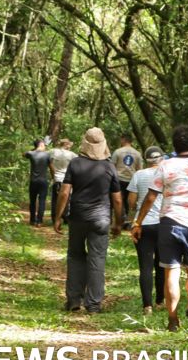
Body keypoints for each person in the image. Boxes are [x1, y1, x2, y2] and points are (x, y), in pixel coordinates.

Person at [132, 125, 188, 332]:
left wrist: (138, 221)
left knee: (171, 271)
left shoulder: (165, 166)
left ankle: (173, 319)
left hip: (170, 222)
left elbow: (151, 196)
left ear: (174, 145)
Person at [53, 128, 123, 314]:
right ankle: (93, 304)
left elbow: (65, 192)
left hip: (78, 217)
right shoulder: (109, 167)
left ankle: (74, 300)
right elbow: (117, 199)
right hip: (101, 220)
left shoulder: (75, 163)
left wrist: (58, 217)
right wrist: (118, 222)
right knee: (97, 259)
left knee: (75, 256)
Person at [126, 146, 167, 315]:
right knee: (162, 265)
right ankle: (160, 301)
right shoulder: (167, 174)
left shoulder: (138, 175)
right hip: (164, 223)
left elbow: (132, 201)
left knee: (145, 266)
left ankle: (147, 306)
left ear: (146, 160)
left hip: (143, 224)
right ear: (162, 159)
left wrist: (135, 217)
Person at [49, 138, 77, 224]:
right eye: (69, 145)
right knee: (67, 198)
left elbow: (48, 161)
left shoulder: (52, 152)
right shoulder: (72, 155)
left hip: (56, 179)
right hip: (66, 180)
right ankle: (65, 217)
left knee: (55, 199)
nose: (70, 146)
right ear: (66, 144)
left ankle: (54, 217)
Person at [23, 139, 50, 226]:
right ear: (41, 144)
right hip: (43, 181)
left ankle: (32, 220)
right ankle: (39, 221)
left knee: (33, 201)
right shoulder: (47, 155)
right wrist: (54, 177)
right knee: (42, 201)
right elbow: (51, 167)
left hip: (33, 181)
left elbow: (23, 154)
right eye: (44, 144)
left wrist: (33, 149)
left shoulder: (31, 154)